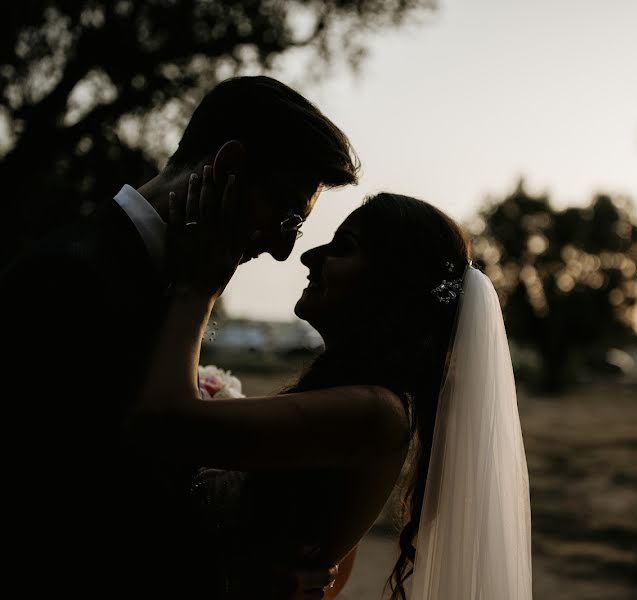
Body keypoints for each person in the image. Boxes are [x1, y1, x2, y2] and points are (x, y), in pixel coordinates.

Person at [0, 76, 358, 599]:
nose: (284, 252)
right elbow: (61, 514)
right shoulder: (66, 278)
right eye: (285, 216)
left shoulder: (158, 277)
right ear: (229, 167)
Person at [128, 179, 533, 599]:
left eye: (344, 247)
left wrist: (197, 289)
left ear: (392, 284)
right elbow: (334, 564)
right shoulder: (355, 402)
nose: (309, 256)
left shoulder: (373, 411)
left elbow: (163, 423)